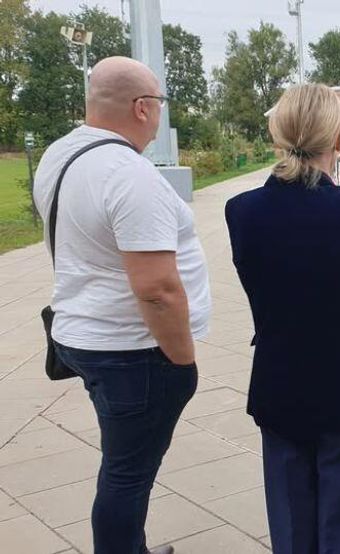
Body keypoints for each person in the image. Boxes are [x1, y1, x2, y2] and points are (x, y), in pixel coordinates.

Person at [33, 56, 210, 554]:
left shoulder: (61, 154)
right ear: (141, 108)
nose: (158, 117)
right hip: (133, 352)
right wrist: (182, 359)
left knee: (123, 466)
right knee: (127, 474)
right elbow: (157, 288)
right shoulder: (129, 175)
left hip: (82, 333)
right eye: (158, 105)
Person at [225, 83, 340, 553]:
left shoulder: (242, 211)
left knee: (291, 525)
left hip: (281, 380)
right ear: (338, 141)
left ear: (278, 137)